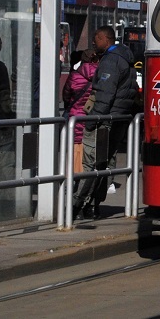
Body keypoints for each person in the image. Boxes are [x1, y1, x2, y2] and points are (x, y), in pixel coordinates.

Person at [78, 26, 138, 220]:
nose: (94, 42)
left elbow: (104, 95)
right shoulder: (126, 59)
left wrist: (92, 121)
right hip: (119, 118)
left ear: (105, 38)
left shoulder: (111, 61)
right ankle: (94, 205)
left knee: (92, 162)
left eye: (96, 38)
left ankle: (79, 204)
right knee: (105, 163)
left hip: (105, 120)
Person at [62, 41, 99, 205]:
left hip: (74, 120)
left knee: (74, 156)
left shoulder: (74, 75)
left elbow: (66, 96)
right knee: (89, 158)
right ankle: (86, 195)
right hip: (91, 123)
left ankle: (72, 188)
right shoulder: (101, 76)